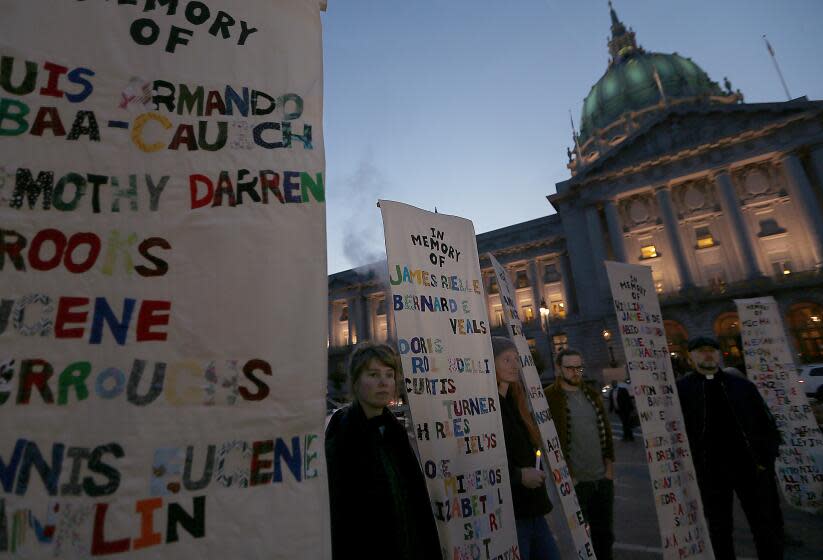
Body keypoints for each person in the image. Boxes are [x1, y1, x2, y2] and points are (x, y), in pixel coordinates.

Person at [325, 342, 441, 560]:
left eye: (389, 375)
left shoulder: (395, 431)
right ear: (356, 382)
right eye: (373, 374)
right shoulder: (342, 431)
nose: (383, 382)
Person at [676, 336, 783, 560]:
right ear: (690, 357)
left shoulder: (741, 386)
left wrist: (765, 459)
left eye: (712, 350)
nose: (708, 355)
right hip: (711, 472)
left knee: (764, 526)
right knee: (719, 530)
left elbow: (766, 424)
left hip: (750, 469)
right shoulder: (682, 391)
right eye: (702, 351)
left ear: (719, 355)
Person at [492, 337, 561, 560]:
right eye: (506, 359)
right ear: (490, 364)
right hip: (512, 513)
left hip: (533, 509)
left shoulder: (516, 401)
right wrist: (519, 476)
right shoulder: (489, 408)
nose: (515, 365)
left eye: (517, 359)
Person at [545, 348, 615, 560]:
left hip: (601, 479)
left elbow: (607, 435)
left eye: (579, 367)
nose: (576, 372)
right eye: (570, 368)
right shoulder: (549, 398)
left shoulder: (592, 395)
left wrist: (609, 471)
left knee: (604, 536)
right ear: (559, 369)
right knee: (578, 539)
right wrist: (569, 478)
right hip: (575, 483)